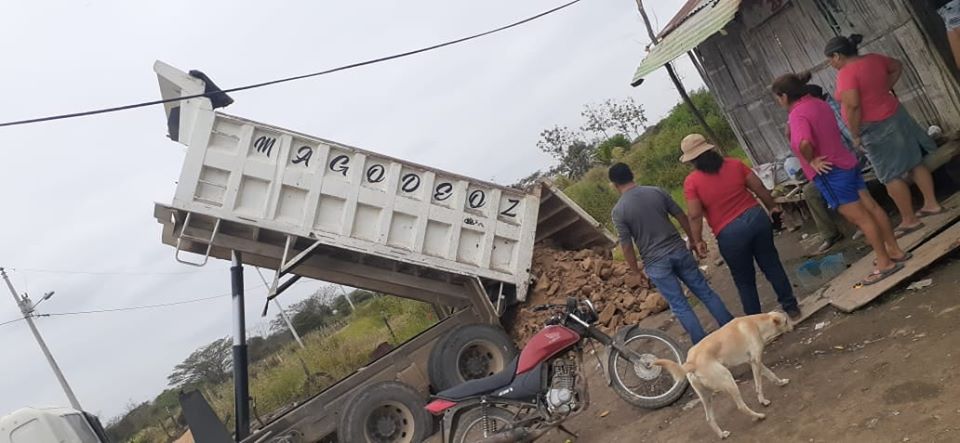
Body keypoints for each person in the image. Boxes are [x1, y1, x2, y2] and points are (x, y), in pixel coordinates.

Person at [773, 72, 911, 285]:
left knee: (860, 218)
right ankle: (894, 250)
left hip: (831, 172)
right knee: (872, 208)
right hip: (846, 162)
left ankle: (884, 263)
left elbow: (804, 143)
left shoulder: (797, 114)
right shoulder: (818, 103)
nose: (778, 102)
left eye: (777, 98)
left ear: (783, 96)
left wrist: (811, 161)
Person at [825, 34, 943, 237]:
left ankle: (909, 220)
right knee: (914, 162)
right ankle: (932, 204)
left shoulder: (846, 73)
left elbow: (853, 105)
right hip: (895, 114)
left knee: (889, 175)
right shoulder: (874, 59)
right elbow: (897, 66)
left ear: (837, 55)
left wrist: (855, 134)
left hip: (874, 127)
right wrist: (884, 88)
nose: (831, 64)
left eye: (830, 59)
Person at [608, 163, 734, 343]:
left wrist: (635, 271)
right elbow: (681, 215)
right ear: (632, 174)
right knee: (705, 291)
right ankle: (731, 329)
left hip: (655, 262)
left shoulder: (619, 211)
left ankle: (702, 344)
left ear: (614, 184)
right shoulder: (656, 192)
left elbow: (626, 245)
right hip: (678, 250)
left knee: (679, 304)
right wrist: (694, 240)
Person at [680, 134, 801, 319]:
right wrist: (772, 207)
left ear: (692, 161)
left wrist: (698, 240)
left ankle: (754, 321)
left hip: (730, 233)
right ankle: (791, 307)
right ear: (710, 150)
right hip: (756, 219)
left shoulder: (692, 182)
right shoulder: (735, 164)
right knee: (772, 265)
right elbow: (759, 187)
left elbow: (695, 215)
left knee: (744, 281)